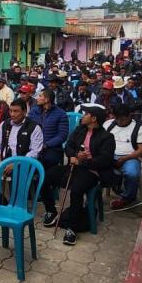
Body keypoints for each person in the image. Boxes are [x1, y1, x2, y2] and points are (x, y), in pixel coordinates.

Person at [41, 103, 115, 246]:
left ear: (93, 118)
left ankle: (72, 228)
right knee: (45, 177)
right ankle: (51, 211)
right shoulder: (80, 129)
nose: (83, 116)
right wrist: (74, 155)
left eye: (86, 114)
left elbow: (105, 159)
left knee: (76, 190)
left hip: (91, 171)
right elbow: (68, 145)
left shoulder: (107, 137)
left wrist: (85, 160)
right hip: (73, 166)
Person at [0, 98, 43, 201]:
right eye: (11, 111)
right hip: (3, 159)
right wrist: (0, 163)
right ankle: (1, 200)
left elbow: (35, 151)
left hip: (22, 162)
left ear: (24, 112)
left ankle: (16, 206)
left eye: (16, 111)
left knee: (16, 179)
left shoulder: (34, 127)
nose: (12, 114)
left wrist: (16, 163)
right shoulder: (5, 124)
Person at [103, 104, 142, 209]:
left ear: (129, 116)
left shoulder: (138, 127)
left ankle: (127, 198)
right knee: (95, 168)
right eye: (117, 119)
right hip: (109, 155)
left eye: (122, 119)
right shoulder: (108, 125)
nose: (119, 122)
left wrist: (124, 158)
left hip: (130, 157)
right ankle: (111, 187)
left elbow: (141, 149)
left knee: (132, 174)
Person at [28, 89, 69, 171]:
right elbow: (28, 128)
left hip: (51, 147)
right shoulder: (33, 112)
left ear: (46, 99)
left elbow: (62, 135)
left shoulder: (61, 114)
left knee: (48, 160)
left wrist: (46, 145)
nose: (37, 98)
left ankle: (43, 181)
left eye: (40, 96)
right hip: (33, 145)